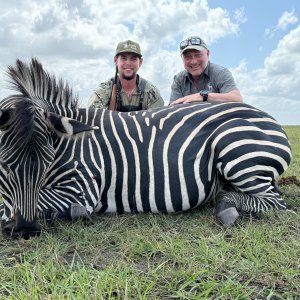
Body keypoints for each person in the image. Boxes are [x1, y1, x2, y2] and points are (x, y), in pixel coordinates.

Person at [89, 40, 164, 111]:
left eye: (133, 59)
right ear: (115, 60)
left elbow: (159, 120)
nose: (128, 63)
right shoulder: (103, 91)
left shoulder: (151, 92)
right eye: (123, 58)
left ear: (140, 62)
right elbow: (92, 118)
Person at [170, 36, 243, 104]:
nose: (193, 61)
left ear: (207, 54)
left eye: (198, 55)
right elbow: (173, 106)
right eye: (187, 57)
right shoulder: (178, 79)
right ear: (182, 58)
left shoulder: (220, 73)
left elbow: (237, 98)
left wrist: (203, 96)